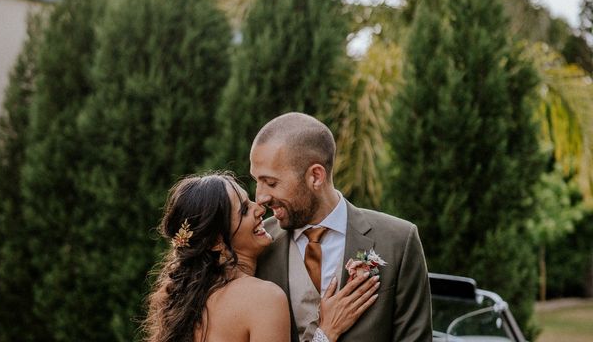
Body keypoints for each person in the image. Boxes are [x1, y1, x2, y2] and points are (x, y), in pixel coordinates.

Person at [253, 112, 432, 342]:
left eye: (271, 183)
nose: (260, 197)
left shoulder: (399, 241)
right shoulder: (258, 245)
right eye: (256, 181)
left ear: (316, 177)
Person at [143, 173, 380, 342]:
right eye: (244, 210)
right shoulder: (262, 298)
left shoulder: (178, 299)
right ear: (217, 241)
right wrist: (327, 332)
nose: (260, 209)